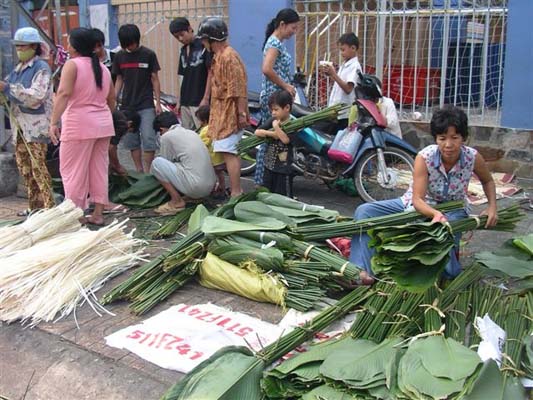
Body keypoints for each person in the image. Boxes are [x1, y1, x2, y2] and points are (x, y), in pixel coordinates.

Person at [349, 106, 498, 280]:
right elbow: (417, 199)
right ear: (436, 138)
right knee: (365, 211)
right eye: (442, 138)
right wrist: (434, 213)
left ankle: (445, 271)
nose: (448, 144)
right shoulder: (424, 157)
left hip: (453, 209)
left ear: (463, 138)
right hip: (417, 205)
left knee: (448, 258)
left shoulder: (473, 157)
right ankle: (363, 271)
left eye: (454, 138)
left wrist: (492, 207)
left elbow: (488, 181)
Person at [49, 27, 115, 226]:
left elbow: (63, 94)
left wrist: (53, 121)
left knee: (73, 171)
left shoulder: (72, 65)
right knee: (99, 169)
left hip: (78, 124)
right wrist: (101, 115)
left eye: (69, 42)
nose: (67, 46)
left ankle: (76, 216)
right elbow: (112, 100)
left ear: (76, 46)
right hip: (103, 124)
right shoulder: (102, 68)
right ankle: (98, 213)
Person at [0, 27, 55, 214]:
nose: (20, 50)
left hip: (36, 126)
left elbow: (36, 97)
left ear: (34, 46)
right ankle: (34, 207)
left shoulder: (41, 69)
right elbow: (8, 91)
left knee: (39, 168)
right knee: (26, 170)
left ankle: (49, 208)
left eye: (23, 46)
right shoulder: (18, 70)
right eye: (18, 46)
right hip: (20, 128)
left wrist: (8, 89)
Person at [197, 17, 248, 198]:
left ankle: (236, 191)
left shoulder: (229, 57)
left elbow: (239, 88)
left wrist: (241, 114)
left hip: (230, 111)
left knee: (229, 152)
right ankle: (232, 189)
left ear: (212, 39)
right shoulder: (218, 56)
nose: (203, 43)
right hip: (220, 111)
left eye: (204, 39)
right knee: (225, 151)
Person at [255, 8, 300, 187]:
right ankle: (262, 182)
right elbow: (266, 69)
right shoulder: (274, 43)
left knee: (276, 139)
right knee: (270, 140)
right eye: (293, 28)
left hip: (278, 97)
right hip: (274, 99)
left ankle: (270, 181)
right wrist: (286, 86)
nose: (293, 32)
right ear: (282, 24)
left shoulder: (277, 42)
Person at [112, 24, 161, 173]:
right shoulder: (119, 56)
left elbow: (154, 79)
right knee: (132, 140)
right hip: (127, 106)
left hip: (146, 104)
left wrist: (158, 102)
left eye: (132, 43)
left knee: (149, 138)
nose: (130, 47)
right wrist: (114, 99)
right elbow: (119, 78)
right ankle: (139, 171)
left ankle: (148, 171)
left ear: (137, 40)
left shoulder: (149, 54)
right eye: (127, 44)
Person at [150, 112, 216, 215]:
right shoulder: (192, 133)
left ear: (161, 130)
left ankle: (176, 201)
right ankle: (193, 196)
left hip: (197, 187)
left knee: (156, 163)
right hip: (210, 186)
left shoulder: (166, 136)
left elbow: (165, 160)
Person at [169, 17, 211, 130]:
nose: (180, 38)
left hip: (199, 100)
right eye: (176, 37)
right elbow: (182, 77)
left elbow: (211, 73)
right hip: (185, 101)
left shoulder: (204, 46)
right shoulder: (183, 51)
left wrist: (206, 98)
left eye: (182, 34)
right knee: (187, 135)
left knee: (203, 133)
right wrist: (179, 101)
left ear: (190, 29)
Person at [254, 90, 294, 197]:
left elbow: (285, 140)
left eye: (276, 109)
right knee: (267, 194)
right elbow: (257, 132)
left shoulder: (293, 123)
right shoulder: (273, 120)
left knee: (283, 197)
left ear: (287, 108)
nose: (273, 113)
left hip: (284, 168)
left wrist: (276, 127)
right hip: (269, 165)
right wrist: (272, 134)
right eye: (272, 110)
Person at [322, 32, 362, 135]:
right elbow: (339, 83)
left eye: (343, 50)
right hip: (337, 111)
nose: (341, 53)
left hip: (345, 113)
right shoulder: (345, 64)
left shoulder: (355, 66)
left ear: (353, 48)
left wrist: (333, 74)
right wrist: (330, 75)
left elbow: (348, 89)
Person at [196, 105, 226, 198]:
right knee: (220, 175)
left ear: (204, 120)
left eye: (199, 120)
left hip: (212, 160)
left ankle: (213, 190)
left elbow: (201, 144)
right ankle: (222, 189)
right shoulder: (216, 126)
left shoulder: (206, 130)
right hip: (220, 158)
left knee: (211, 175)